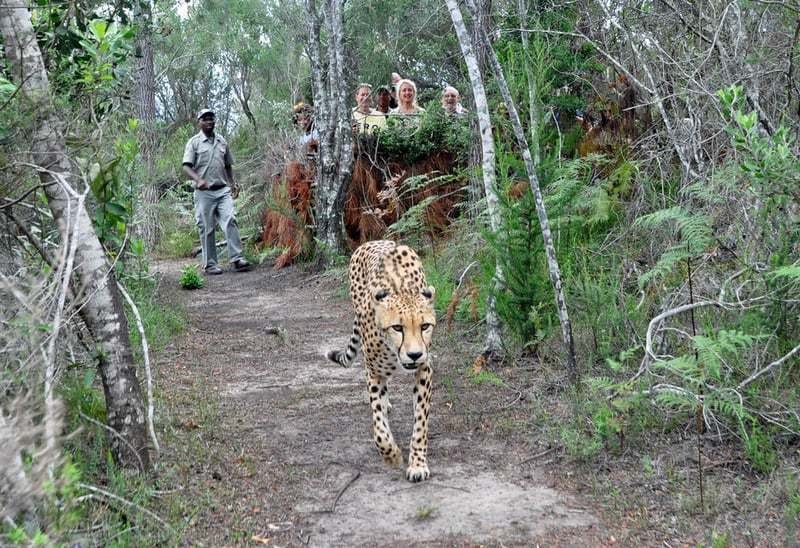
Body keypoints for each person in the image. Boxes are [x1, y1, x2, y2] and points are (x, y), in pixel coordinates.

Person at [182, 109, 250, 275]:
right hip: (204, 193)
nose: (209, 122)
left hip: (222, 190)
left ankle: (237, 259)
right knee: (207, 227)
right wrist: (198, 180)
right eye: (205, 119)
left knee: (230, 220)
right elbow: (186, 166)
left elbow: (228, 165)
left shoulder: (222, 141)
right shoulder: (194, 142)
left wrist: (232, 184)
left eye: (211, 118)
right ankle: (210, 264)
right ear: (199, 122)